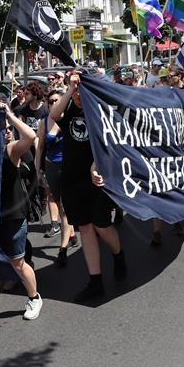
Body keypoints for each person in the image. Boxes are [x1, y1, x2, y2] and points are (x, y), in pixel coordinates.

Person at [49, 73, 125, 303]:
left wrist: (95, 167)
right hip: (72, 179)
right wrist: (69, 90)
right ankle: (96, 281)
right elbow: (53, 115)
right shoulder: (69, 109)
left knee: (102, 226)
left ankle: (118, 255)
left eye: (83, 91)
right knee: (85, 228)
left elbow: (108, 145)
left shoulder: (101, 114)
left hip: (96, 178)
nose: (80, 96)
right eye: (77, 92)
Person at [0, 102, 42, 341]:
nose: (6, 131)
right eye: (1, 128)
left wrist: (10, 116)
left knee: (17, 264)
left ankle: (34, 298)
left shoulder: (10, 151)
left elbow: (31, 135)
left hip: (12, 217)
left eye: (8, 128)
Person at [34, 90, 75, 257]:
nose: (54, 103)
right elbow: (40, 146)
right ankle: (71, 234)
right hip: (51, 167)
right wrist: (38, 170)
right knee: (57, 203)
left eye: (57, 100)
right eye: (51, 101)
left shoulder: (72, 118)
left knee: (65, 208)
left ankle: (62, 249)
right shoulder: (44, 122)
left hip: (70, 166)